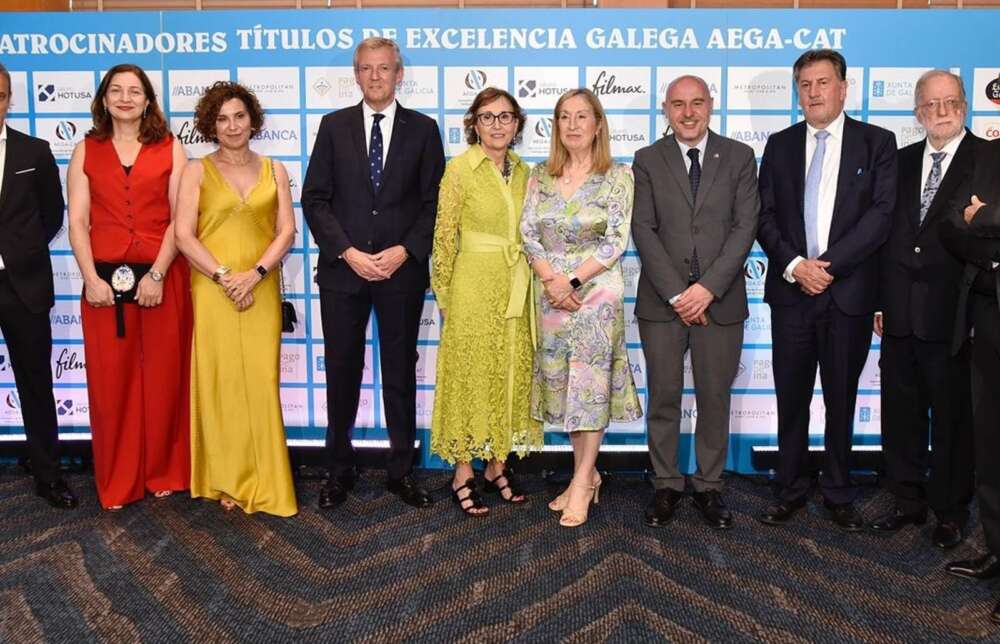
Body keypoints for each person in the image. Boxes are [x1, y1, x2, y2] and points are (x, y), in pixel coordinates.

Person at [756, 50, 896, 531]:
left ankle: (838, 489)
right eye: (804, 85)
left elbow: (880, 217)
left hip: (848, 294)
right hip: (792, 293)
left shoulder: (877, 142)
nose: (813, 93)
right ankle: (789, 486)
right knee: (790, 397)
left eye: (822, 83)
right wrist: (797, 266)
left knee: (841, 396)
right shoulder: (779, 145)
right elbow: (765, 216)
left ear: (843, 87)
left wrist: (827, 268)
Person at [302, 37, 445, 511]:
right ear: (356, 74)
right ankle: (337, 471)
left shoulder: (424, 130)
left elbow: (433, 205)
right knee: (342, 372)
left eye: (384, 68)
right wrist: (346, 251)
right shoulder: (333, 126)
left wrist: (405, 251)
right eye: (366, 69)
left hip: (400, 273)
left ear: (399, 73)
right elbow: (315, 199)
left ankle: (401, 471)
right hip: (344, 274)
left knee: (401, 373)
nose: (376, 76)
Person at [631, 75, 759, 530]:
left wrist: (707, 289)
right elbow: (642, 229)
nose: (688, 113)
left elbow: (746, 228)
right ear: (664, 108)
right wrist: (678, 293)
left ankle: (708, 486)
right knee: (664, 397)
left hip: (719, 302)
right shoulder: (646, 159)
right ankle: (665, 483)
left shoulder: (740, 157)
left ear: (711, 105)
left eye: (697, 103)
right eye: (678, 104)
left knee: (714, 398)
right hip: (662, 304)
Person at [67, 63, 191, 510]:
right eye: (116, 90)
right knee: (110, 385)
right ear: (103, 99)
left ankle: (163, 470)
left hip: (163, 278)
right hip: (102, 284)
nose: (125, 98)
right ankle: (118, 481)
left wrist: (157, 274)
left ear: (147, 100)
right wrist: (90, 279)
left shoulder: (171, 148)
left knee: (164, 379)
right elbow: (77, 221)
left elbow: (181, 219)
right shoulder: (86, 149)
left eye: (134, 91)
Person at [174, 81, 297, 517]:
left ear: (252, 120)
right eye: (222, 118)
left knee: (262, 382)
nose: (232, 126)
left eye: (239, 116)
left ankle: (266, 478)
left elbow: (286, 231)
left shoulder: (275, 169)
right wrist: (225, 276)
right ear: (211, 124)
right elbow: (183, 235)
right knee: (222, 382)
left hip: (260, 286)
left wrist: (256, 274)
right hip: (213, 290)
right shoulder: (195, 171)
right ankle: (226, 477)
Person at [521, 88, 641, 528]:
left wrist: (571, 281)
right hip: (551, 294)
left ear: (598, 125)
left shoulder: (618, 175)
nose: (573, 125)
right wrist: (552, 281)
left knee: (590, 388)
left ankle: (581, 482)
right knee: (565, 388)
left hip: (596, 295)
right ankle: (584, 477)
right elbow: (529, 234)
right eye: (564, 117)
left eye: (582, 116)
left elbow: (615, 242)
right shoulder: (540, 175)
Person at [871, 70, 981, 549]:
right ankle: (907, 500)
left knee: (954, 419)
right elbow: (883, 236)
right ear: (917, 112)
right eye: (931, 104)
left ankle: (951, 511)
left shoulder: (990, 159)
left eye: (950, 102)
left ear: (965, 105)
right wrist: (879, 300)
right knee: (902, 412)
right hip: (898, 311)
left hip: (957, 315)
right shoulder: (899, 161)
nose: (941, 111)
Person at [430, 87, 541, 516]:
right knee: (470, 375)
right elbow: (443, 236)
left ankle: (497, 465)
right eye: (488, 116)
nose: (497, 124)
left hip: (516, 284)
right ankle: (462, 472)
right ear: (474, 123)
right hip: (472, 286)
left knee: (510, 372)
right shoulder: (460, 169)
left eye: (505, 116)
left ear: (517, 124)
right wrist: (444, 296)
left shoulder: (525, 170)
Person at [0, 62, 76, 509]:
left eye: (1, 94)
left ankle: (48, 474)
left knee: (34, 382)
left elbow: (53, 215)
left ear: (9, 98)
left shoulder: (35, 152)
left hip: (23, 286)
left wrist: (19, 253)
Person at [939, 139, 1000, 625]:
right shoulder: (987, 156)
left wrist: (989, 217)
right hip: (985, 313)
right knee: (991, 446)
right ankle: (997, 551)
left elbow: (979, 218)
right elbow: (953, 221)